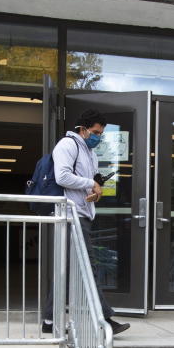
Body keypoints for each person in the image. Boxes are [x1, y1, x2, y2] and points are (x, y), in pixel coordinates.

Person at [41, 109, 129, 336]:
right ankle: (105, 320)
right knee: (88, 267)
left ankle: (49, 321)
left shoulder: (90, 152)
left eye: (101, 133)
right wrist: (90, 182)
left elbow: (88, 182)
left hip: (83, 215)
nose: (98, 137)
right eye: (96, 132)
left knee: (67, 270)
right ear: (83, 129)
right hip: (71, 216)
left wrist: (95, 188)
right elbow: (62, 177)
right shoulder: (67, 145)